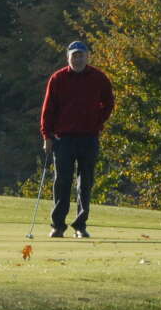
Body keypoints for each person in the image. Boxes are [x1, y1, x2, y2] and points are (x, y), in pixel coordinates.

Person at [40, 40, 114, 238]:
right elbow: (48, 110)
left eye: (81, 55)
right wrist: (47, 136)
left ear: (87, 57)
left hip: (89, 138)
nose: (78, 59)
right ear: (68, 57)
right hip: (63, 139)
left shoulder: (98, 78)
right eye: (74, 55)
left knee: (85, 182)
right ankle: (58, 225)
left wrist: (98, 122)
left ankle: (80, 225)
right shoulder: (58, 78)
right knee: (62, 182)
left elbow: (108, 103)